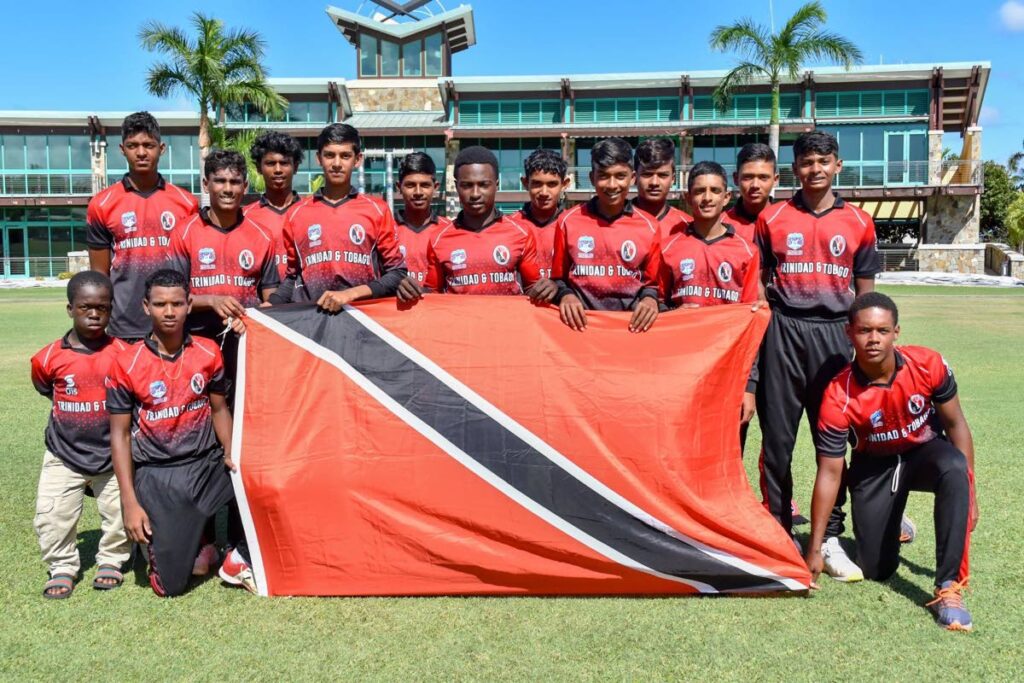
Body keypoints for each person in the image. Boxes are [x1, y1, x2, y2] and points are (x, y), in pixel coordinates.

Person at [807, 292, 977, 631]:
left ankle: (948, 588)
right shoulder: (837, 395)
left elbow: (957, 425)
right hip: (876, 465)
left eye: (882, 331)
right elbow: (829, 472)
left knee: (954, 468)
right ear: (849, 333)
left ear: (896, 332)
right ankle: (894, 523)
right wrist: (815, 547)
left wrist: (972, 493)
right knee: (875, 569)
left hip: (925, 453)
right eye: (865, 330)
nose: (873, 339)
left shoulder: (927, 365)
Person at [754, 131, 882, 581]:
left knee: (833, 442)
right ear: (796, 168)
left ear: (838, 165)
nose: (815, 169)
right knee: (778, 443)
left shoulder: (860, 222)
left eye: (823, 161)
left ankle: (828, 536)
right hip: (783, 332)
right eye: (806, 162)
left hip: (834, 336)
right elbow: (759, 286)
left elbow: (867, 298)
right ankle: (776, 532)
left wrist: (866, 350)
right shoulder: (772, 218)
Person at [106, 269, 250, 597]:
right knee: (170, 587)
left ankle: (240, 551)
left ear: (189, 305)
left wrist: (230, 451)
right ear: (145, 307)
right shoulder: (126, 363)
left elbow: (218, 409)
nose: (169, 312)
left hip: (205, 464)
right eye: (159, 304)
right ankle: (180, 541)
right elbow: (120, 434)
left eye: (176, 304)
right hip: (157, 474)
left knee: (254, 471)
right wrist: (129, 501)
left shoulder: (208, 350)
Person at [30, 272, 131, 599]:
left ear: (111, 309)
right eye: (85, 307)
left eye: (102, 307)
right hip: (64, 454)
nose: (94, 314)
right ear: (70, 308)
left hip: (111, 454)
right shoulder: (47, 358)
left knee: (119, 513)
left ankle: (112, 560)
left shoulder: (124, 354)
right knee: (52, 515)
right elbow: (47, 389)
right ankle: (61, 565)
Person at [659, 161, 762, 435]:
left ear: (727, 197)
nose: (707, 198)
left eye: (715, 191)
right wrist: (672, 314)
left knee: (727, 449)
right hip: (680, 369)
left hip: (728, 370)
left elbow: (750, 325)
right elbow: (655, 305)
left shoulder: (746, 251)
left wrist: (749, 386)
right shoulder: (668, 247)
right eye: (699, 191)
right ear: (687, 197)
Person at [86, 112, 198, 341]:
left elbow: (193, 270)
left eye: (149, 145)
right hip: (124, 326)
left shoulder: (187, 203)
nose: (141, 152)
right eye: (133, 145)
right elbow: (100, 275)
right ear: (122, 149)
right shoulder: (102, 204)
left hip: (175, 324)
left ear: (162, 148)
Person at [276, 123, 412, 311]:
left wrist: (350, 294)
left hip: (362, 322)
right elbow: (293, 278)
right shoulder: (296, 214)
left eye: (345, 156)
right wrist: (265, 308)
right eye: (330, 155)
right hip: (311, 325)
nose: (337, 163)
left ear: (357, 160)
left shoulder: (377, 210)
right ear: (319, 159)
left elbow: (397, 273)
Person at [412, 146, 556, 300]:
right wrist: (412, 290)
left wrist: (552, 288)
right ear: (456, 186)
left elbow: (533, 289)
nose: (475, 194)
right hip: (459, 323)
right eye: (467, 185)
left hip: (508, 323)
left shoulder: (521, 233)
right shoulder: (438, 239)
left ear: (496, 185)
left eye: (483, 185)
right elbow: (431, 296)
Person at [551, 137, 663, 332]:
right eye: (603, 176)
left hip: (629, 330)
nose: (612, 185)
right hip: (580, 330)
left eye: (620, 176)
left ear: (633, 177)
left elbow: (652, 285)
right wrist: (565, 295)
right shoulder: (567, 221)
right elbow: (558, 278)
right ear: (592, 177)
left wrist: (649, 300)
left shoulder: (650, 226)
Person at [244, 130, 307, 302]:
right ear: (258, 168)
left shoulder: (311, 212)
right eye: (270, 163)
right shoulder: (244, 217)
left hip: (306, 308)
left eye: (284, 163)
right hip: (261, 310)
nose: (278, 169)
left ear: (296, 167)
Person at [393, 152, 452, 286]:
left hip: (437, 306)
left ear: (435, 187)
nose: (418, 192)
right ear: (399, 187)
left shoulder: (449, 230)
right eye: (410, 185)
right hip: (395, 306)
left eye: (425, 185)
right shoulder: (386, 230)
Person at [510, 148, 571, 278]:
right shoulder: (510, 226)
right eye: (537, 184)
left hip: (564, 298)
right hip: (522, 298)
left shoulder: (573, 225)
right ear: (525, 183)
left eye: (552, 184)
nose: (544, 192)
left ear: (564, 184)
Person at [632, 138, 691, 236]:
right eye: (647, 174)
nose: (654, 182)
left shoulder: (687, 226)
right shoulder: (616, 221)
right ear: (634, 178)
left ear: (673, 179)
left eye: (662, 175)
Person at [726, 142, 779, 240]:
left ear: (775, 180)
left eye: (763, 177)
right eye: (748, 177)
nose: (755, 185)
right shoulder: (721, 224)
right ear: (736, 178)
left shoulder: (789, 221)